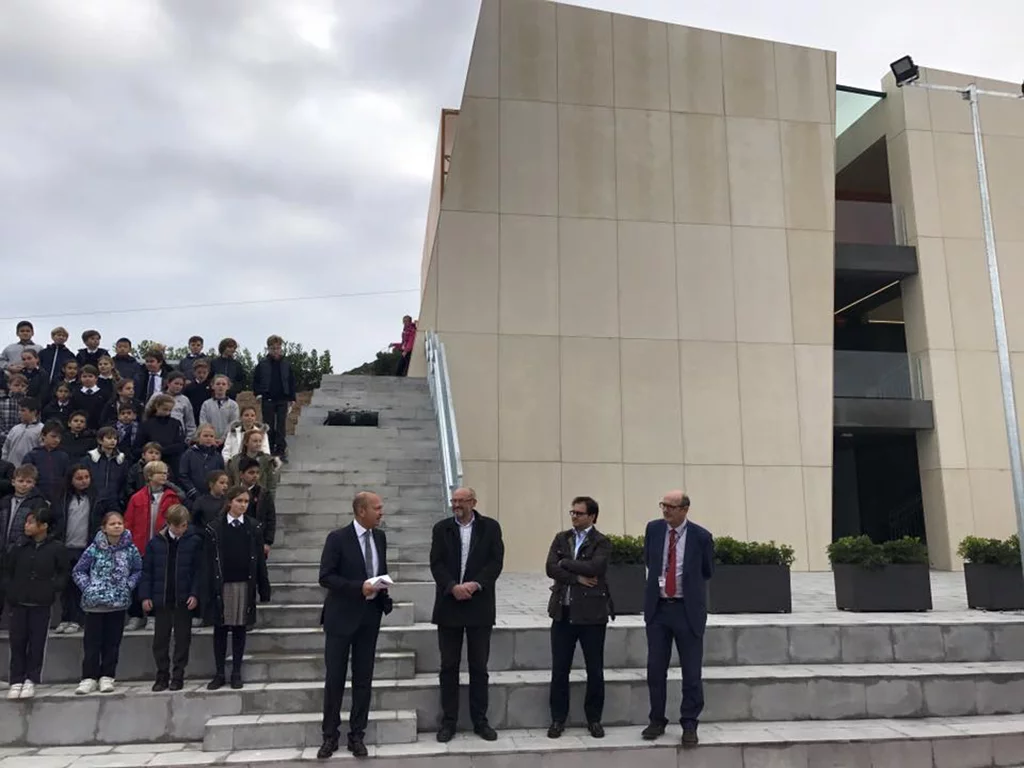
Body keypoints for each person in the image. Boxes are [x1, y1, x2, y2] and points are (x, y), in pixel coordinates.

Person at [317, 491, 393, 759]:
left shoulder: (380, 538)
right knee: (335, 678)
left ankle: (357, 734)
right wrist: (357, 587)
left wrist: (384, 592)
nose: (381, 512)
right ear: (362, 511)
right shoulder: (337, 539)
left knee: (364, 679)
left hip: (369, 618)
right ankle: (330, 735)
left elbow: (379, 569)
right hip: (340, 618)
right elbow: (325, 577)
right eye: (377, 508)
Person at [429, 486, 504, 743]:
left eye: (461, 500)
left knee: (478, 666)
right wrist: (452, 586)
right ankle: (448, 722)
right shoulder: (441, 529)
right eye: (454, 501)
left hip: (478, 604)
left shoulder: (490, 528)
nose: (456, 505)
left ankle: (480, 721)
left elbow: (495, 562)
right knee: (448, 666)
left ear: (473, 502)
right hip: (449, 604)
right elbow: (436, 563)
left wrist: (474, 584)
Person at [641, 491, 714, 748]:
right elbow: (649, 560)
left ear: (685, 509)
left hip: (687, 610)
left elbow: (707, 570)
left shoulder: (701, 537)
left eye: (671, 506)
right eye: (663, 505)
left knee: (691, 672)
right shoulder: (653, 530)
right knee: (655, 669)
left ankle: (690, 723)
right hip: (659, 609)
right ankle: (656, 719)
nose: (666, 511)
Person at [545, 496, 612, 739]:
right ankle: (557, 719)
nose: (574, 517)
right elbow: (550, 567)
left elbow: (595, 568)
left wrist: (566, 563)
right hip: (563, 613)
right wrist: (574, 577)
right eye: (572, 512)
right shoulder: (562, 538)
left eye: (579, 513)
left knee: (595, 670)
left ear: (592, 516)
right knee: (559, 669)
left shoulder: (601, 541)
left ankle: (594, 718)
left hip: (591, 615)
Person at [201, 485, 271, 691]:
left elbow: (259, 560)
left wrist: (263, 587)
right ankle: (220, 672)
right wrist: (204, 590)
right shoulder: (214, 528)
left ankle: (236, 671)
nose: (242, 505)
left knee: (240, 628)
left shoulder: (254, 527)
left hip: (243, 583)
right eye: (239, 501)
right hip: (221, 584)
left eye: (246, 502)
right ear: (230, 502)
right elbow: (207, 561)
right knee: (220, 629)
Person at [72, 511, 143, 695]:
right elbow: (79, 570)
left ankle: (107, 676)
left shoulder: (130, 550)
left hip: (118, 602)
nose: (117, 526)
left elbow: (137, 570)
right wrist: (89, 587)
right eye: (112, 524)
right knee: (92, 642)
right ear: (104, 528)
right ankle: (88, 677)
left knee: (112, 642)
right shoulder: (94, 549)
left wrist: (128, 586)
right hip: (95, 603)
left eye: (120, 523)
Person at [4, 507, 68, 700]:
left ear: (44, 526)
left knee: (37, 642)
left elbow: (63, 573)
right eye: (27, 522)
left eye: (31, 522)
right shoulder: (18, 547)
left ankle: (32, 678)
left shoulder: (56, 548)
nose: (27, 526)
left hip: (41, 603)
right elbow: (7, 571)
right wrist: (11, 590)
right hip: (19, 601)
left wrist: (52, 587)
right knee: (17, 642)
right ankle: (16, 679)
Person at [139, 504, 202, 691]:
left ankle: (178, 675)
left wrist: (194, 593)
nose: (181, 530)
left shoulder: (193, 541)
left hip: (183, 599)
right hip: (162, 599)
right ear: (168, 524)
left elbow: (198, 571)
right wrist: (145, 596)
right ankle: (161, 675)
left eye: (183, 526)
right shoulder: (155, 543)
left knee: (183, 639)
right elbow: (147, 572)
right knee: (160, 640)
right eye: (177, 527)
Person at [123, 460, 184, 630]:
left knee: (157, 581)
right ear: (149, 476)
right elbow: (129, 522)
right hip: (139, 546)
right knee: (136, 581)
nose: (165, 476)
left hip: (161, 547)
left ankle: (153, 615)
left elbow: (177, 520)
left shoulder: (172, 497)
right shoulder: (137, 498)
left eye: (166, 473)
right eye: (160, 473)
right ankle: (135, 615)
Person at [53, 465, 102, 635]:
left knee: (81, 586)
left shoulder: (96, 497)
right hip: (66, 547)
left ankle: (78, 619)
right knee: (66, 587)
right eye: (79, 478)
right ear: (71, 480)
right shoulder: (63, 497)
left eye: (86, 477)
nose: (83, 481)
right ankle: (65, 618)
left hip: (86, 548)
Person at [252, 335, 295, 461]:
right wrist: (258, 394)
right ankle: (268, 449)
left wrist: (292, 398)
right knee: (268, 425)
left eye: (278, 348)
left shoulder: (286, 364)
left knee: (281, 426)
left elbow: (292, 381)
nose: (275, 351)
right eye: (272, 348)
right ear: (268, 349)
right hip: (268, 398)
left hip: (283, 399)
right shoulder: (262, 364)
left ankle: (281, 451)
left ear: (281, 349)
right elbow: (256, 381)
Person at [134, 395, 187, 476]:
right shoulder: (146, 424)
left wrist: (162, 451)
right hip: (151, 465)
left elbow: (180, 445)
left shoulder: (175, 423)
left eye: (170, 410)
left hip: (171, 463)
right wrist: (153, 453)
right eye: (165, 409)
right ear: (157, 407)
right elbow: (137, 447)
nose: (168, 412)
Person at [234, 455, 276, 557]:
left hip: (257, 539)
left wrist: (267, 542)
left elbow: (271, 519)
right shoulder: (233, 492)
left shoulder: (264, 494)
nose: (255, 476)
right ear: (241, 474)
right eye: (251, 473)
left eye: (257, 473)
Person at [23, 420, 70, 504]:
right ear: (43, 435)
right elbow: (27, 479)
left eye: (59, 437)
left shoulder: (64, 456)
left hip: (58, 500)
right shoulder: (32, 455)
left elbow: (66, 479)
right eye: (53, 436)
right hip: (35, 499)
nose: (57, 440)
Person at [178, 424, 225, 503]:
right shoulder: (189, 454)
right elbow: (183, 475)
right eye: (205, 436)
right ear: (198, 437)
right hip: (192, 498)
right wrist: (193, 492)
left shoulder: (218, 456)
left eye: (211, 436)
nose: (208, 438)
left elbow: (221, 476)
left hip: (212, 497)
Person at [86, 427, 128, 513]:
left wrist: (120, 499)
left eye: (115, 438)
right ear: (100, 440)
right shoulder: (90, 459)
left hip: (114, 502)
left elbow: (124, 482)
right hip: (93, 502)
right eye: (109, 438)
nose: (113, 441)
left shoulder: (121, 461)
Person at [227, 429, 278, 497]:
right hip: (238, 496)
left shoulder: (267, 460)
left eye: (260, 441)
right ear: (246, 442)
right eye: (255, 441)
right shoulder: (235, 460)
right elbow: (230, 481)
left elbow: (271, 484)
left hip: (260, 497)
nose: (258, 444)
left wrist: (269, 501)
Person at [150, 371, 196, 440]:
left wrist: (189, 438)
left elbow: (190, 422)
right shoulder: (157, 396)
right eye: (176, 383)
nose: (178, 386)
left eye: (181, 385)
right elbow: (147, 414)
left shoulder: (185, 400)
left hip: (177, 435)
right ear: (168, 383)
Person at [2, 397, 42, 466]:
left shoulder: (41, 429)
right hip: (11, 470)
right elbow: (6, 449)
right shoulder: (15, 429)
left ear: (34, 412)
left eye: (23, 410)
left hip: (29, 471)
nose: (19, 413)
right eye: (19, 410)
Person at [199, 375, 240, 445]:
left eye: (223, 384)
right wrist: (211, 437)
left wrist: (223, 439)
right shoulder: (206, 404)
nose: (220, 386)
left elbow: (234, 423)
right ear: (213, 386)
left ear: (228, 387)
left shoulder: (233, 405)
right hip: (209, 441)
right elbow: (203, 422)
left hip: (228, 441)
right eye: (218, 384)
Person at [71, 365, 106, 430]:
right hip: (80, 427)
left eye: (90, 376)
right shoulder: (76, 393)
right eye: (84, 376)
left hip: (98, 427)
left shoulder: (103, 394)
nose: (87, 379)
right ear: (80, 378)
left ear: (96, 378)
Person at [0, 375, 28, 443]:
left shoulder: (30, 403)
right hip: (3, 440)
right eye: (16, 385)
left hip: (22, 441)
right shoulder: (2, 402)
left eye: (23, 386)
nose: (20, 388)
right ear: (9, 385)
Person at [183, 359, 212, 423]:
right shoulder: (188, 388)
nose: (201, 375)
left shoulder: (212, 388)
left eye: (204, 373)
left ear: (208, 373)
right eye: (199, 372)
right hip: (192, 417)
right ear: (194, 372)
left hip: (208, 417)